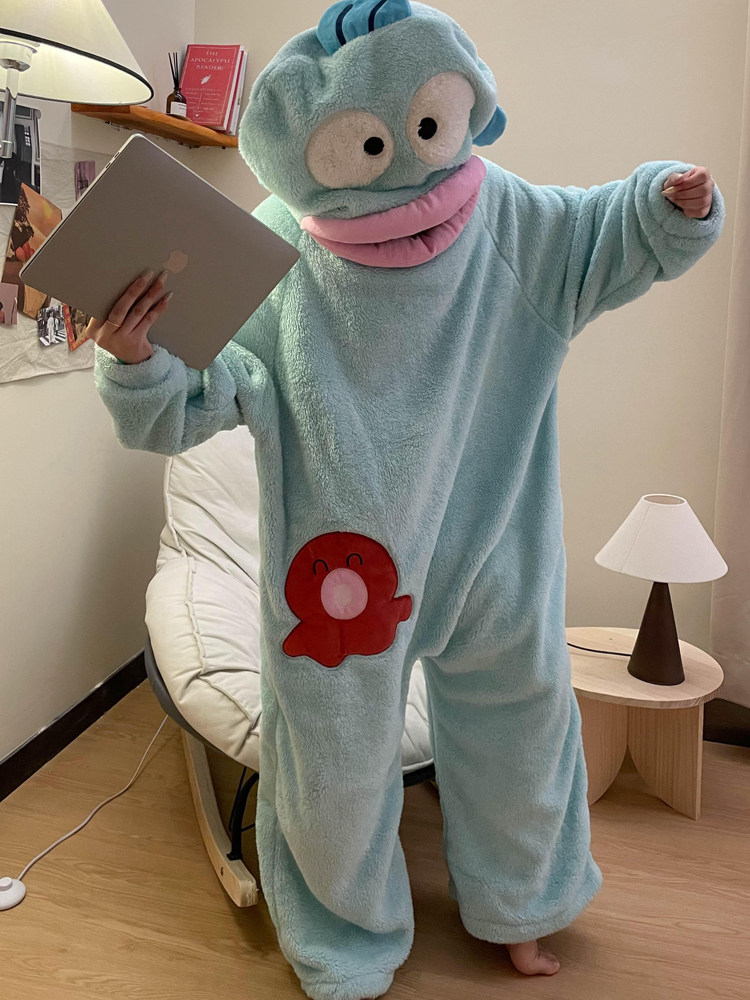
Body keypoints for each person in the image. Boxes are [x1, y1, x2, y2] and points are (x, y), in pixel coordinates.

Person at [89, 3, 723, 998]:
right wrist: (138, 358)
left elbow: (605, 230)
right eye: (368, 144)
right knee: (333, 756)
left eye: (426, 126)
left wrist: (665, 203)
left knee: (521, 728)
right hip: (338, 568)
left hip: (494, 544)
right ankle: (346, 938)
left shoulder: (511, 219)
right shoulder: (273, 254)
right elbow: (197, 399)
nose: (401, 163)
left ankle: (523, 906)